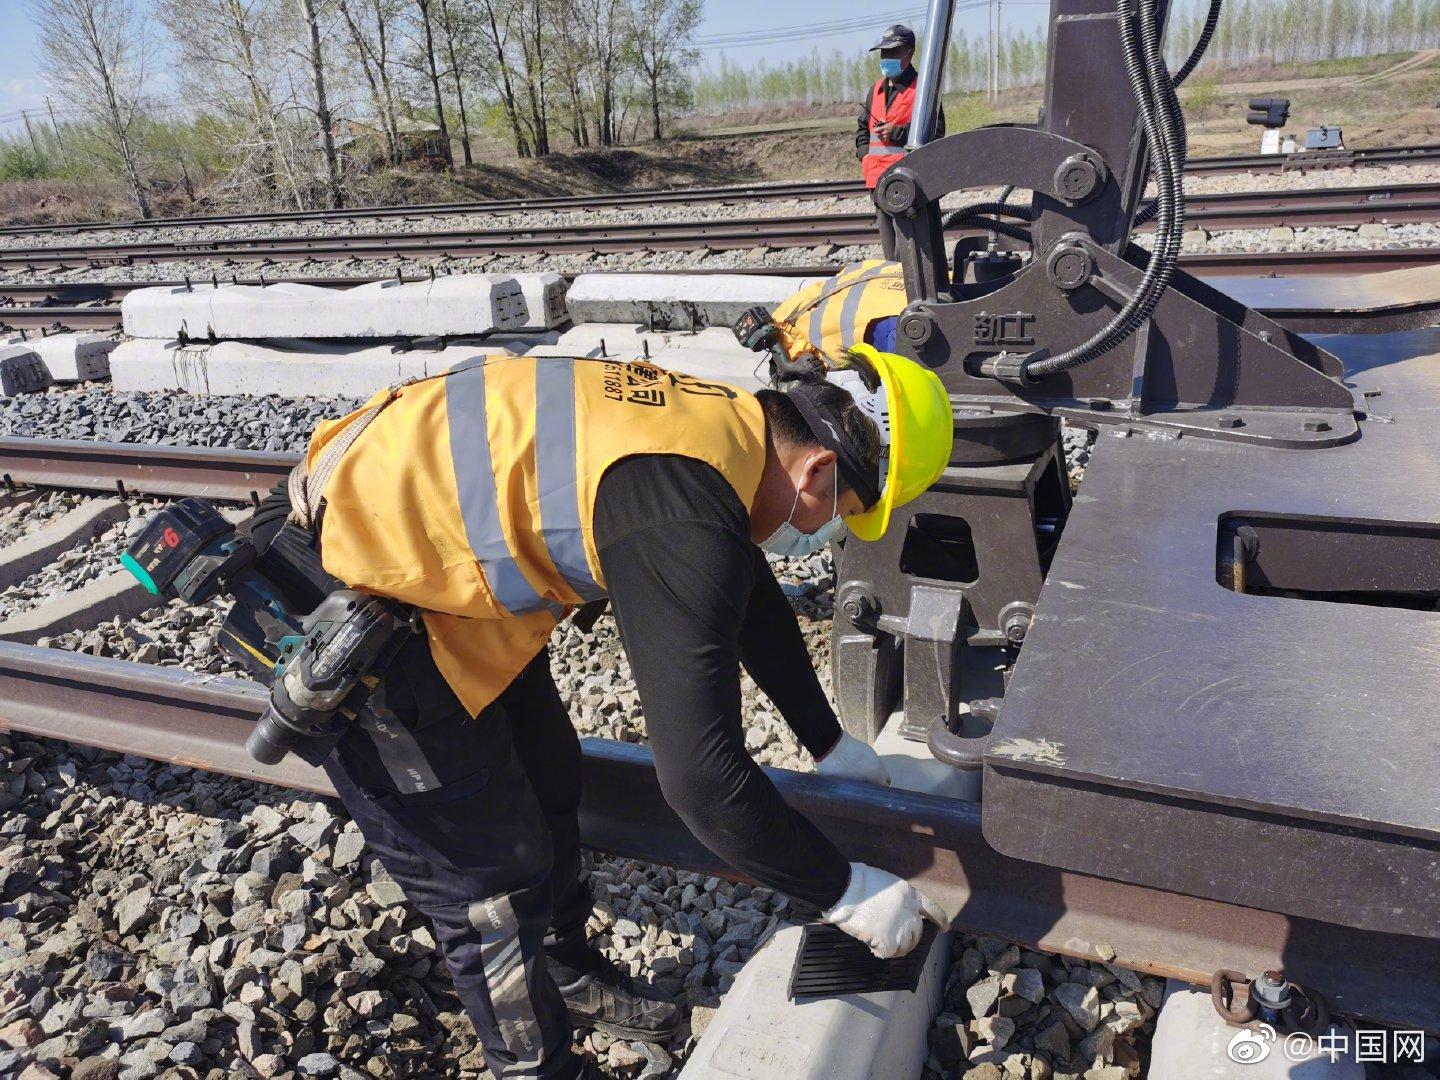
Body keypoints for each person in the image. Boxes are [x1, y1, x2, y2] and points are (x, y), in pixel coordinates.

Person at [240, 345, 955, 1080]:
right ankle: (539, 1069)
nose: (829, 534)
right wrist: (845, 892)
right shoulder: (682, 509)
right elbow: (703, 781)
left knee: (550, 778)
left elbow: (746, 594)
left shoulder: (724, 430)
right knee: (491, 880)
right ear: (819, 471)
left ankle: (567, 972)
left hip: (438, 586)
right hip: (341, 596)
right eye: (845, 517)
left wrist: (831, 744)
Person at [856, 23, 946, 259]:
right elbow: (861, 131)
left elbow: (936, 135)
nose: (886, 58)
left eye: (892, 52)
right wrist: (865, 156)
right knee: (890, 255)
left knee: (912, 253)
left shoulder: (923, 90)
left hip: (910, 185)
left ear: (909, 52)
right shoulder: (874, 90)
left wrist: (897, 133)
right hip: (878, 182)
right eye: (884, 53)